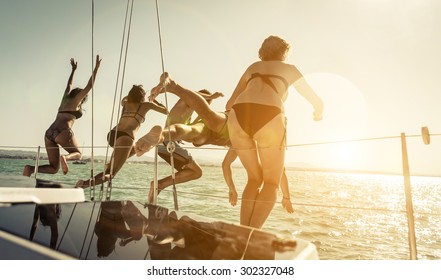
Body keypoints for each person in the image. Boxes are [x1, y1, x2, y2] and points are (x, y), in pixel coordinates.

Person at [225, 35, 323, 228]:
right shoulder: (289, 70)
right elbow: (316, 101)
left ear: (262, 51)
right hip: (269, 114)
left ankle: (243, 232)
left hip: (239, 114)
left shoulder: (253, 68)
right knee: (271, 183)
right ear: (284, 52)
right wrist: (317, 114)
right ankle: (251, 236)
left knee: (254, 179)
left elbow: (229, 104)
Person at [23, 55, 101, 177]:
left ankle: (30, 169)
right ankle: (65, 157)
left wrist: (73, 70)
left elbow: (69, 84)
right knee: (78, 153)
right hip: (62, 131)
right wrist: (96, 68)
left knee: (54, 168)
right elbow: (89, 86)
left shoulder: (65, 98)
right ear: (80, 96)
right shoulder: (76, 101)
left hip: (49, 132)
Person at [75, 85, 167, 188]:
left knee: (135, 149)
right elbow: (166, 111)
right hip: (126, 138)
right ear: (142, 96)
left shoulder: (125, 104)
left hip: (113, 135)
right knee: (111, 173)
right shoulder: (146, 105)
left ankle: (115, 160)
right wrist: (154, 100)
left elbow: (123, 99)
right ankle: (83, 184)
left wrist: (130, 96)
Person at [144, 89, 225, 203]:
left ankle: (153, 198)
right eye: (204, 103)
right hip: (167, 143)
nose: (203, 107)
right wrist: (211, 96)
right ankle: (160, 184)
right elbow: (193, 95)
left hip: (166, 143)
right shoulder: (186, 100)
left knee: (194, 172)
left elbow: (193, 131)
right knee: (197, 172)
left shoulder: (188, 111)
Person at [222, 148, 293, 213]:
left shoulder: (236, 136)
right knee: (271, 184)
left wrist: (232, 189)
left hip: (249, 189)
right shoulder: (267, 138)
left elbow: (225, 164)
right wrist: (286, 197)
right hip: (267, 190)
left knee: (254, 181)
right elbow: (279, 169)